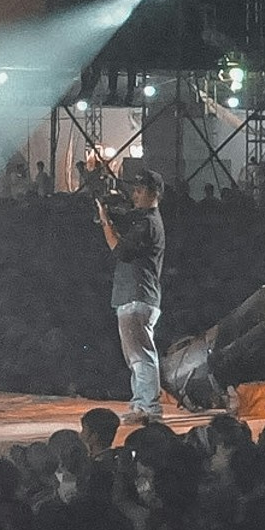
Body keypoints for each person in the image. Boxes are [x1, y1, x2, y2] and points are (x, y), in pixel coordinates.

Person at [99, 168, 167, 421]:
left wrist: (106, 221)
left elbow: (120, 251)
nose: (135, 195)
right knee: (136, 357)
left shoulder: (149, 223)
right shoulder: (144, 221)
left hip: (138, 296)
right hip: (135, 296)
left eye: (140, 191)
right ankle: (140, 406)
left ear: (155, 193)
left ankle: (149, 409)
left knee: (141, 356)